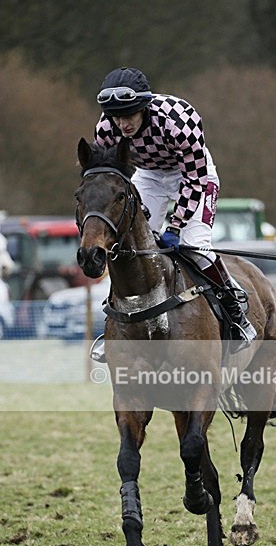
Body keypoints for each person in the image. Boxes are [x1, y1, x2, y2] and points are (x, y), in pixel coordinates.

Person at [94, 67, 256, 348]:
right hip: (148, 177)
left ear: (144, 107)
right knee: (130, 247)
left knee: (196, 246)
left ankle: (235, 310)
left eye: (129, 116)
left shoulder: (178, 121)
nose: (123, 125)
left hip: (192, 175)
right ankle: (116, 324)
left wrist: (175, 227)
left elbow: (194, 180)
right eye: (117, 118)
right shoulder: (106, 129)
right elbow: (106, 177)